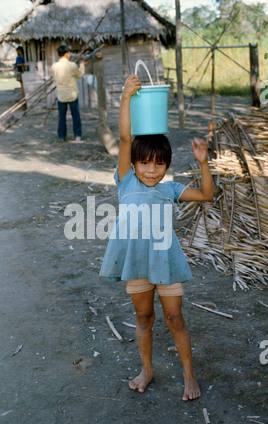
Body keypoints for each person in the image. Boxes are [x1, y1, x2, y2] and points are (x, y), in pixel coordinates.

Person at [99, 74, 213, 401]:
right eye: (145, 163)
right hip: (136, 263)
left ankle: (189, 375)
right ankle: (147, 368)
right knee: (143, 317)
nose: (152, 170)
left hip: (165, 261)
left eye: (159, 164)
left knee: (175, 318)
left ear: (167, 166)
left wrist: (204, 164)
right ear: (132, 165)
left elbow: (206, 195)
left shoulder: (170, 190)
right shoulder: (127, 182)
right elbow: (124, 139)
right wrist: (125, 98)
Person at [52, 45, 85, 142]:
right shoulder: (72, 65)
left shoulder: (54, 66)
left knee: (62, 117)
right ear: (66, 54)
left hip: (61, 95)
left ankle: (61, 136)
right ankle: (77, 135)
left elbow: (55, 78)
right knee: (75, 115)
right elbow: (79, 74)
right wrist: (82, 65)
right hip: (72, 94)